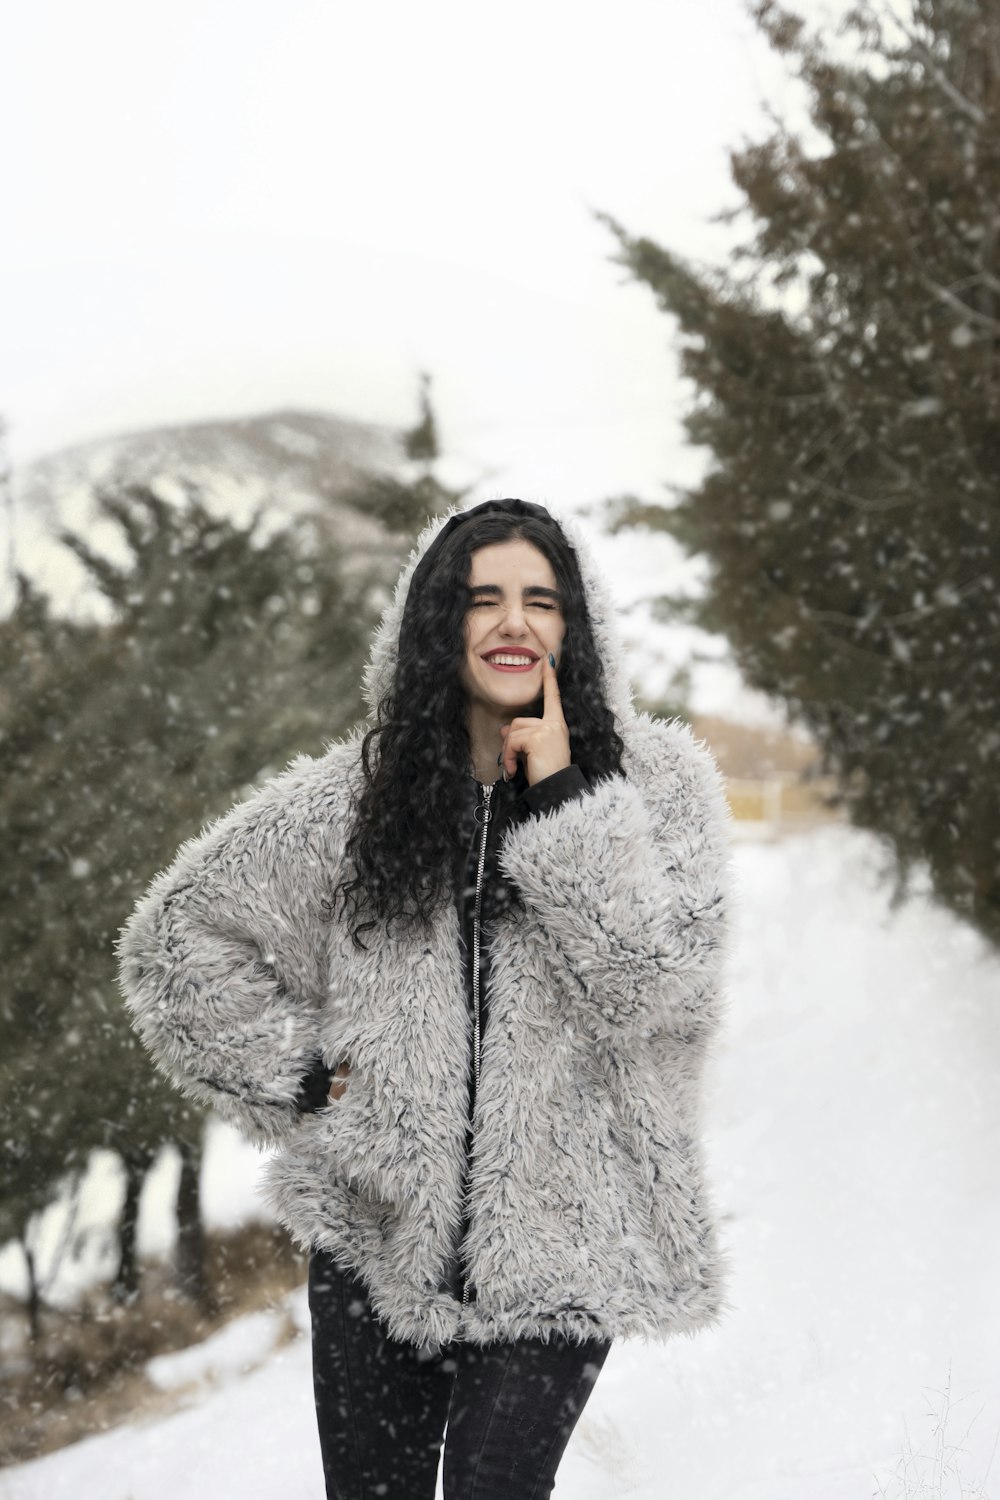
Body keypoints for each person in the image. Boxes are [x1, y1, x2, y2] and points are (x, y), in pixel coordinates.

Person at [115, 496, 734, 1499]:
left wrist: (567, 803)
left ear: (575, 626)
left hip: (565, 1237)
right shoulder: (356, 802)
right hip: (375, 1236)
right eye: (479, 599)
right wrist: (303, 1081)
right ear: (434, 624)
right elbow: (177, 942)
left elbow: (655, 992)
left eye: (540, 599)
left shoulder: (656, 791)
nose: (511, 623)